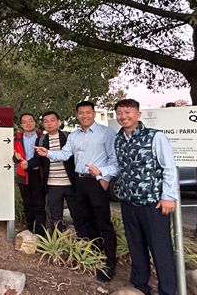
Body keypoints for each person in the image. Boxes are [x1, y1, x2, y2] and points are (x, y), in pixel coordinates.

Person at [113, 98, 179, 295]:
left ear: (138, 114)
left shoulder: (155, 137)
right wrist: (100, 172)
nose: (123, 116)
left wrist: (168, 196)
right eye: (120, 113)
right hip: (129, 202)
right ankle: (141, 288)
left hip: (154, 204)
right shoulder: (119, 140)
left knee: (161, 252)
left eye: (128, 112)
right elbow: (119, 167)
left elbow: (169, 167)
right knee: (136, 248)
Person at [35, 101, 118, 282]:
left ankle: (110, 263)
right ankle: (94, 256)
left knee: (103, 222)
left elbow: (115, 160)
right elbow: (65, 154)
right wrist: (47, 153)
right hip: (79, 182)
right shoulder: (74, 135)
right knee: (85, 221)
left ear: (93, 113)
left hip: (97, 182)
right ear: (77, 115)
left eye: (88, 112)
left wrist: (103, 176)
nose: (84, 115)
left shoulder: (106, 133)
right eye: (81, 113)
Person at [36, 111, 76, 233]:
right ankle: (56, 240)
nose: (49, 123)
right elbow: (37, 160)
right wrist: (26, 164)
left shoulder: (69, 137)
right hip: (53, 184)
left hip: (71, 184)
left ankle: (82, 239)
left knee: (78, 213)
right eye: (46, 121)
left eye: (52, 120)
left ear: (59, 122)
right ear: (43, 124)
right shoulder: (41, 140)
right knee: (55, 217)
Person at [13, 113, 45, 236]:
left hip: (38, 173)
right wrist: (16, 158)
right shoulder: (17, 138)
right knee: (27, 204)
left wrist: (29, 164)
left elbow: (43, 157)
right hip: (23, 174)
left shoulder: (42, 137)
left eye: (30, 120)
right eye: (25, 121)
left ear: (35, 122)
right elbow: (14, 157)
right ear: (21, 125)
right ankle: (30, 230)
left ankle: (40, 234)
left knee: (39, 204)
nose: (28, 123)